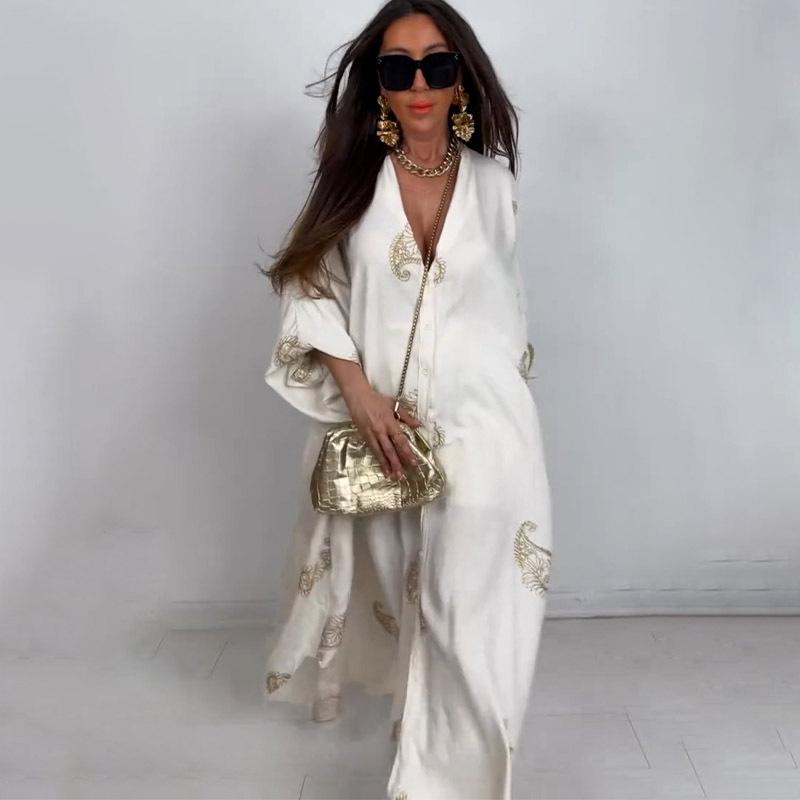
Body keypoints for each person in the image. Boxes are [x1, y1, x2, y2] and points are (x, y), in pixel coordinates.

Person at [259, 2, 553, 797]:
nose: (419, 84)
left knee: (474, 620)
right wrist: (359, 394)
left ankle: (442, 785)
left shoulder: (495, 186)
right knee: (418, 612)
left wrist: (501, 414)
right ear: (379, 86)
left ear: (462, 78)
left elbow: (507, 315)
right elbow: (307, 287)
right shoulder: (353, 183)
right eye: (398, 68)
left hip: (490, 429)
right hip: (389, 436)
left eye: (437, 65)